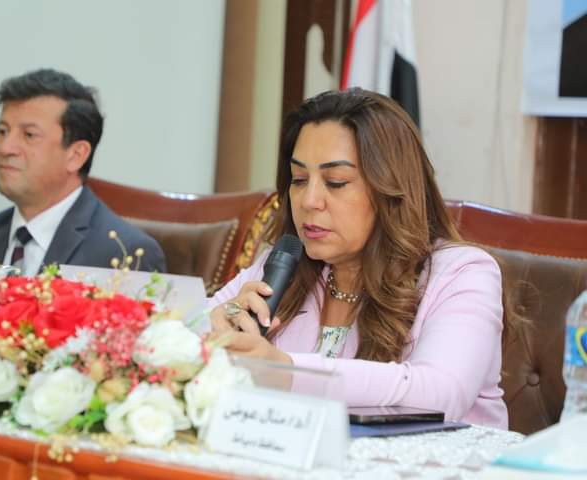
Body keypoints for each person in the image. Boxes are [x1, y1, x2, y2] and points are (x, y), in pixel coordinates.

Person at [208, 89, 508, 429]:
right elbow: (173, 337)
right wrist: (212, 330)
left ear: (390, 190)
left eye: (336, 182)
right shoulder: (281, 265)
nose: (309, 200)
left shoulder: (463, 273)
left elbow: (442, 393)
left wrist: (287, 372)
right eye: (299, 180)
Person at [0, 69, 166, 275]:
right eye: (2, 131)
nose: (6, 148)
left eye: (29, 135)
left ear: (76, 155)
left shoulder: (123, 253)